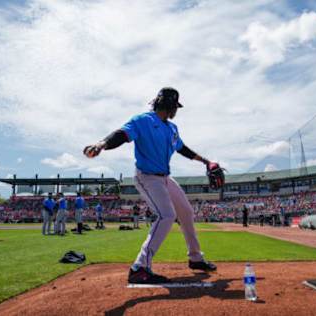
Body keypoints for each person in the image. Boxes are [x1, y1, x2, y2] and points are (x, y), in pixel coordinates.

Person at [84, 87, 217, 284]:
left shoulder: (172, 128)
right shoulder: (143, 120)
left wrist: (206, 162)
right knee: (167, 215)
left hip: (164, 178)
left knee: (186, 212)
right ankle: (139, 267)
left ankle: (195, 258)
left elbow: (183, 149)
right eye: (175, 107)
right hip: (147, 177)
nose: (176, 111)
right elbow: (121, 134)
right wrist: (101, 144)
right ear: (169, 105)